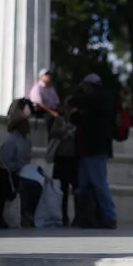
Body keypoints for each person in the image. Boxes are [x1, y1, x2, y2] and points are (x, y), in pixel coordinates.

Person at [68, 73, 118, 229]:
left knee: (99, 184)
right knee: (84, 186)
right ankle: (87, 217)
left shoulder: (101, 99)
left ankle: (109, 216)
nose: (83, 89)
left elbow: (77, 102)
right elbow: (75, 118)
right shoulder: (92, 104)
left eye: (85, 86)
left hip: (96, 150)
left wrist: (71, 102)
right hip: (85, 151)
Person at [49, 96, 79, 226]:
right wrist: (63, 131)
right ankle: (64, 216)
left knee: (76, 188)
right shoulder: (59, 120)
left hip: (75, 157)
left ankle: (78, 216)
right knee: (64, 189)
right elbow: (53, 133)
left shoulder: (79, 120)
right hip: (62, 157)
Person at [28, 68, 61, 135]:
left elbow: (57, 102)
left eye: (49, 75)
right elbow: (39, 103)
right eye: (46, 75)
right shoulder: (37, 88)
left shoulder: (51, 88)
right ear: (40, 77)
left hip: (52, 110)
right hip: (42, 111)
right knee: (50, 120)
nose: (49, 76)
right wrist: (52, 112)